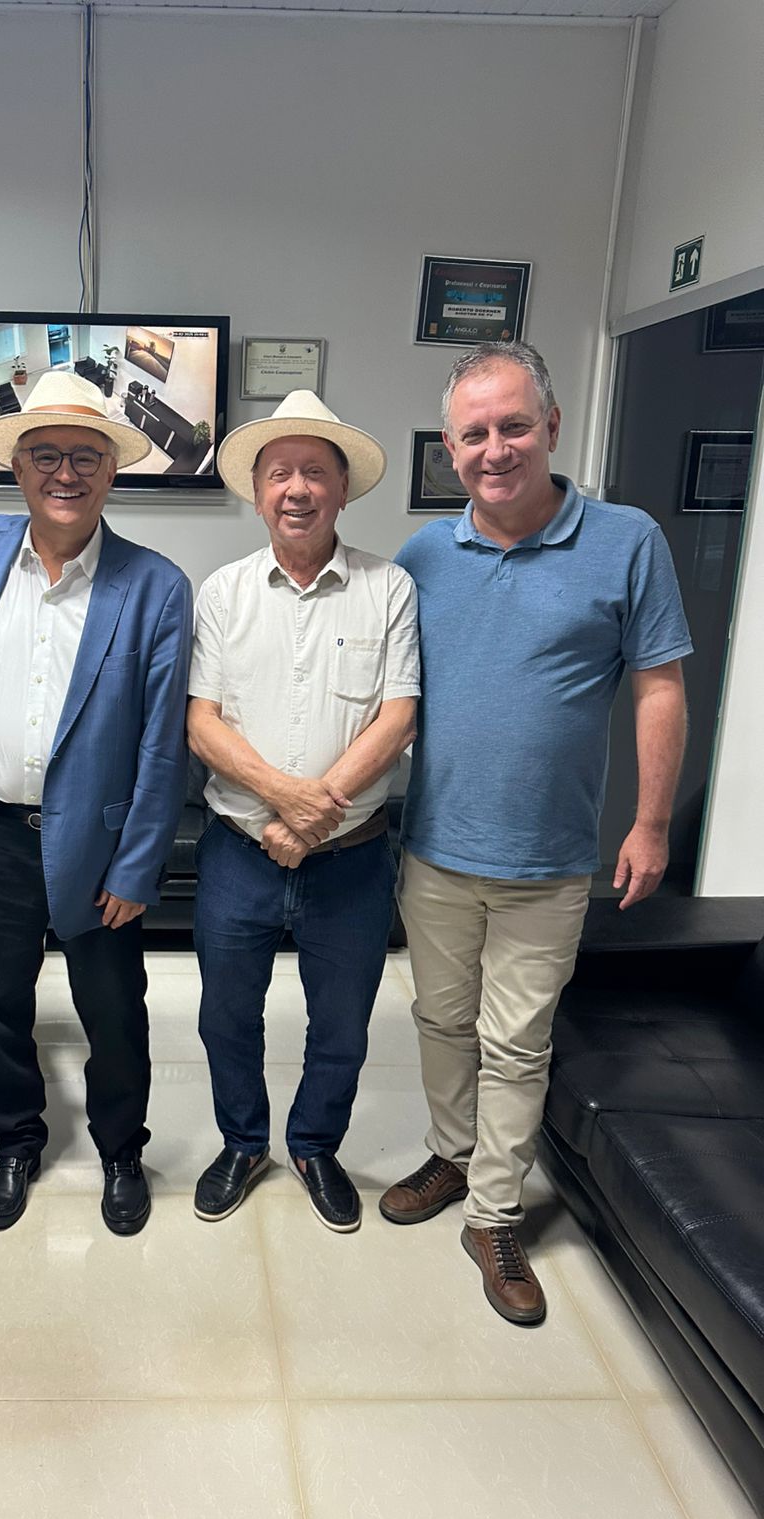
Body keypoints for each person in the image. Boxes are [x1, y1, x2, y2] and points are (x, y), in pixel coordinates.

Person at [381, 341, 691, 1325]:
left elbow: (659, 686)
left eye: (514, 426)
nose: (495, 449)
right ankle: (451, 1151)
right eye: (474, 433)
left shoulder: (628, 541)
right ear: (451, 448)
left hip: (550, 859)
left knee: (515, 1044)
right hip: (434, 848)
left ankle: (494, 1213)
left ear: (552, 427)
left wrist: (649, 822)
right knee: (440, 1020)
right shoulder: (423, 557)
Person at [0, 371, 192, 1236]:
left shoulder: (154, 585)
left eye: (86, 457)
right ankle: (14, 1140)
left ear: (111, 472)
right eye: (45, 455)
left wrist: (138, 866)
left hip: (99, 844)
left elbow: (163, 743)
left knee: (113, 1013)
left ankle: (121, 1150)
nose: (65, 473)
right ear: (16, 468)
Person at [187, 391, 420, 1232]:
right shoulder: (223, 593)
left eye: (315, 473)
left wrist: (312, 817)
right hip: (238, 851)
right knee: (226, 1016)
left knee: (344, 1025)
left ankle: (316, 1145)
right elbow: (202, 720)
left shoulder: (388, 587)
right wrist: (285, 801)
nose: (297, 489)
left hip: (352, 859)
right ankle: (243, 1142)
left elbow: (398, 716)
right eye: (279, 473)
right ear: (257, 493)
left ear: (343, 489)